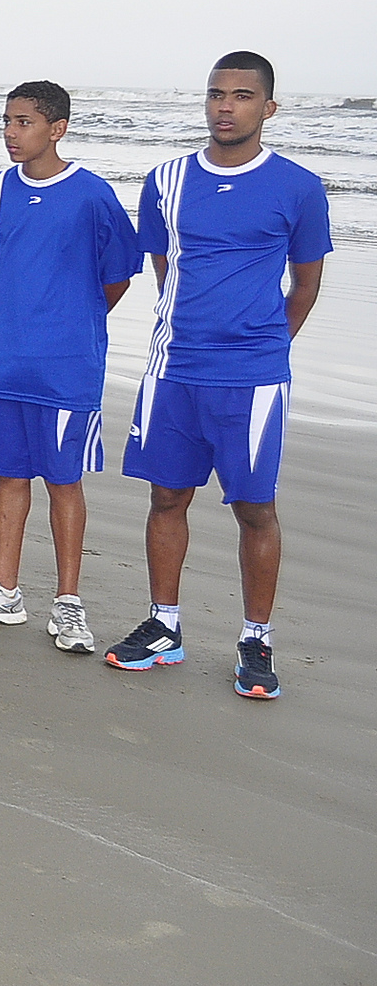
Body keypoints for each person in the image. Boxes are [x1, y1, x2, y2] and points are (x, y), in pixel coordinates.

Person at [107, 52, 331, 701]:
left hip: (253, 378)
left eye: (240, 95)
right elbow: (162, 265)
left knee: (255, 508)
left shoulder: (298, 186)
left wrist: (262, 347)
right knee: (167, 497)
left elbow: (307, 284)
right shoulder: (167, 179)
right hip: (173, 368)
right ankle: (164, 627)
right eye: (215, 94)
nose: (225, 106)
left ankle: (256, 640)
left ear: (268, 107)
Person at [0, 82, 137, 649]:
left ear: (57, 128)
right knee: (9, 474)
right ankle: (4, 590)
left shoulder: (91, 195)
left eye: (24, 121)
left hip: (67, 368)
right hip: (4, 363)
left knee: (64, 480)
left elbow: (118, 275)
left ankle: (68, 602)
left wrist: (71, 321)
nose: (10, 131)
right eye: (7, 120)